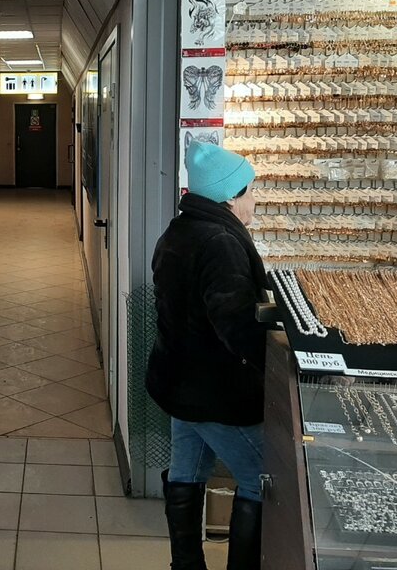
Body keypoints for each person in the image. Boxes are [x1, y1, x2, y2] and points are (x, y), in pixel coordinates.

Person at [146, 141, 268, 570]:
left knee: (187, 472)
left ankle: (186, 565)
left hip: (179, 380)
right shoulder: (221, 242)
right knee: (263, 477)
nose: (255, 200)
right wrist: (279, 367)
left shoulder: (180, 231)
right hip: (215, 391)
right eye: (251, 191)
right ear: (230, 196)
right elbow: (236, 325)